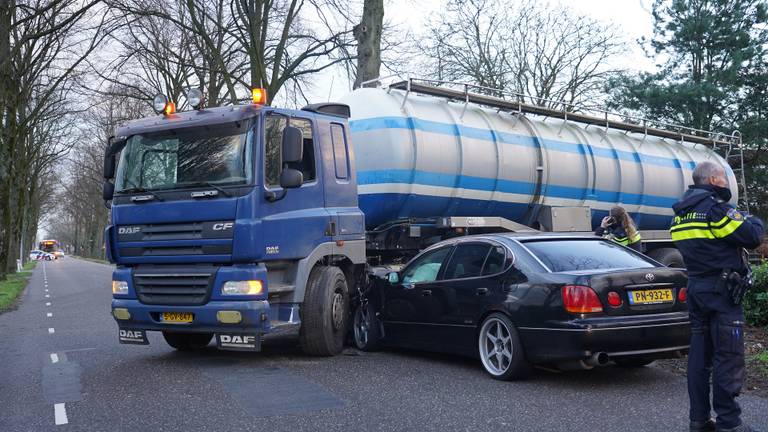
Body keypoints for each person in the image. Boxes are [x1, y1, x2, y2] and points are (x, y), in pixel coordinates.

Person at [671, 161, 765, 432]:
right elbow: (752, 236)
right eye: (723, 177)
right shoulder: (716, 210)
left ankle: (699, 420)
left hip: (697, 290)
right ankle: (729, 424)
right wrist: (751, 218)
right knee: (728, 357)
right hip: (722, 294)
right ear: (713, 179)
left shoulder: (680, 215)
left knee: (699, 358)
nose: (726, 182)